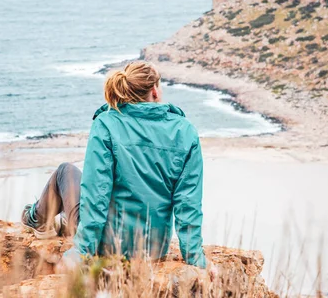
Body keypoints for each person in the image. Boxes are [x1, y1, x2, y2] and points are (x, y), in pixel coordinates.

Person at [21, 61, 207, 268]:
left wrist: (82, 251)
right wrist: (196, 259)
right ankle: (61, 220)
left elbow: (96, 192)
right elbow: (187, 203)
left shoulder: (106, 123)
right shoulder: (186, 131)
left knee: (66, 170)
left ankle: (35, 218)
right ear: (155, 90)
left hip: (107, 245)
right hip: (153, 249)